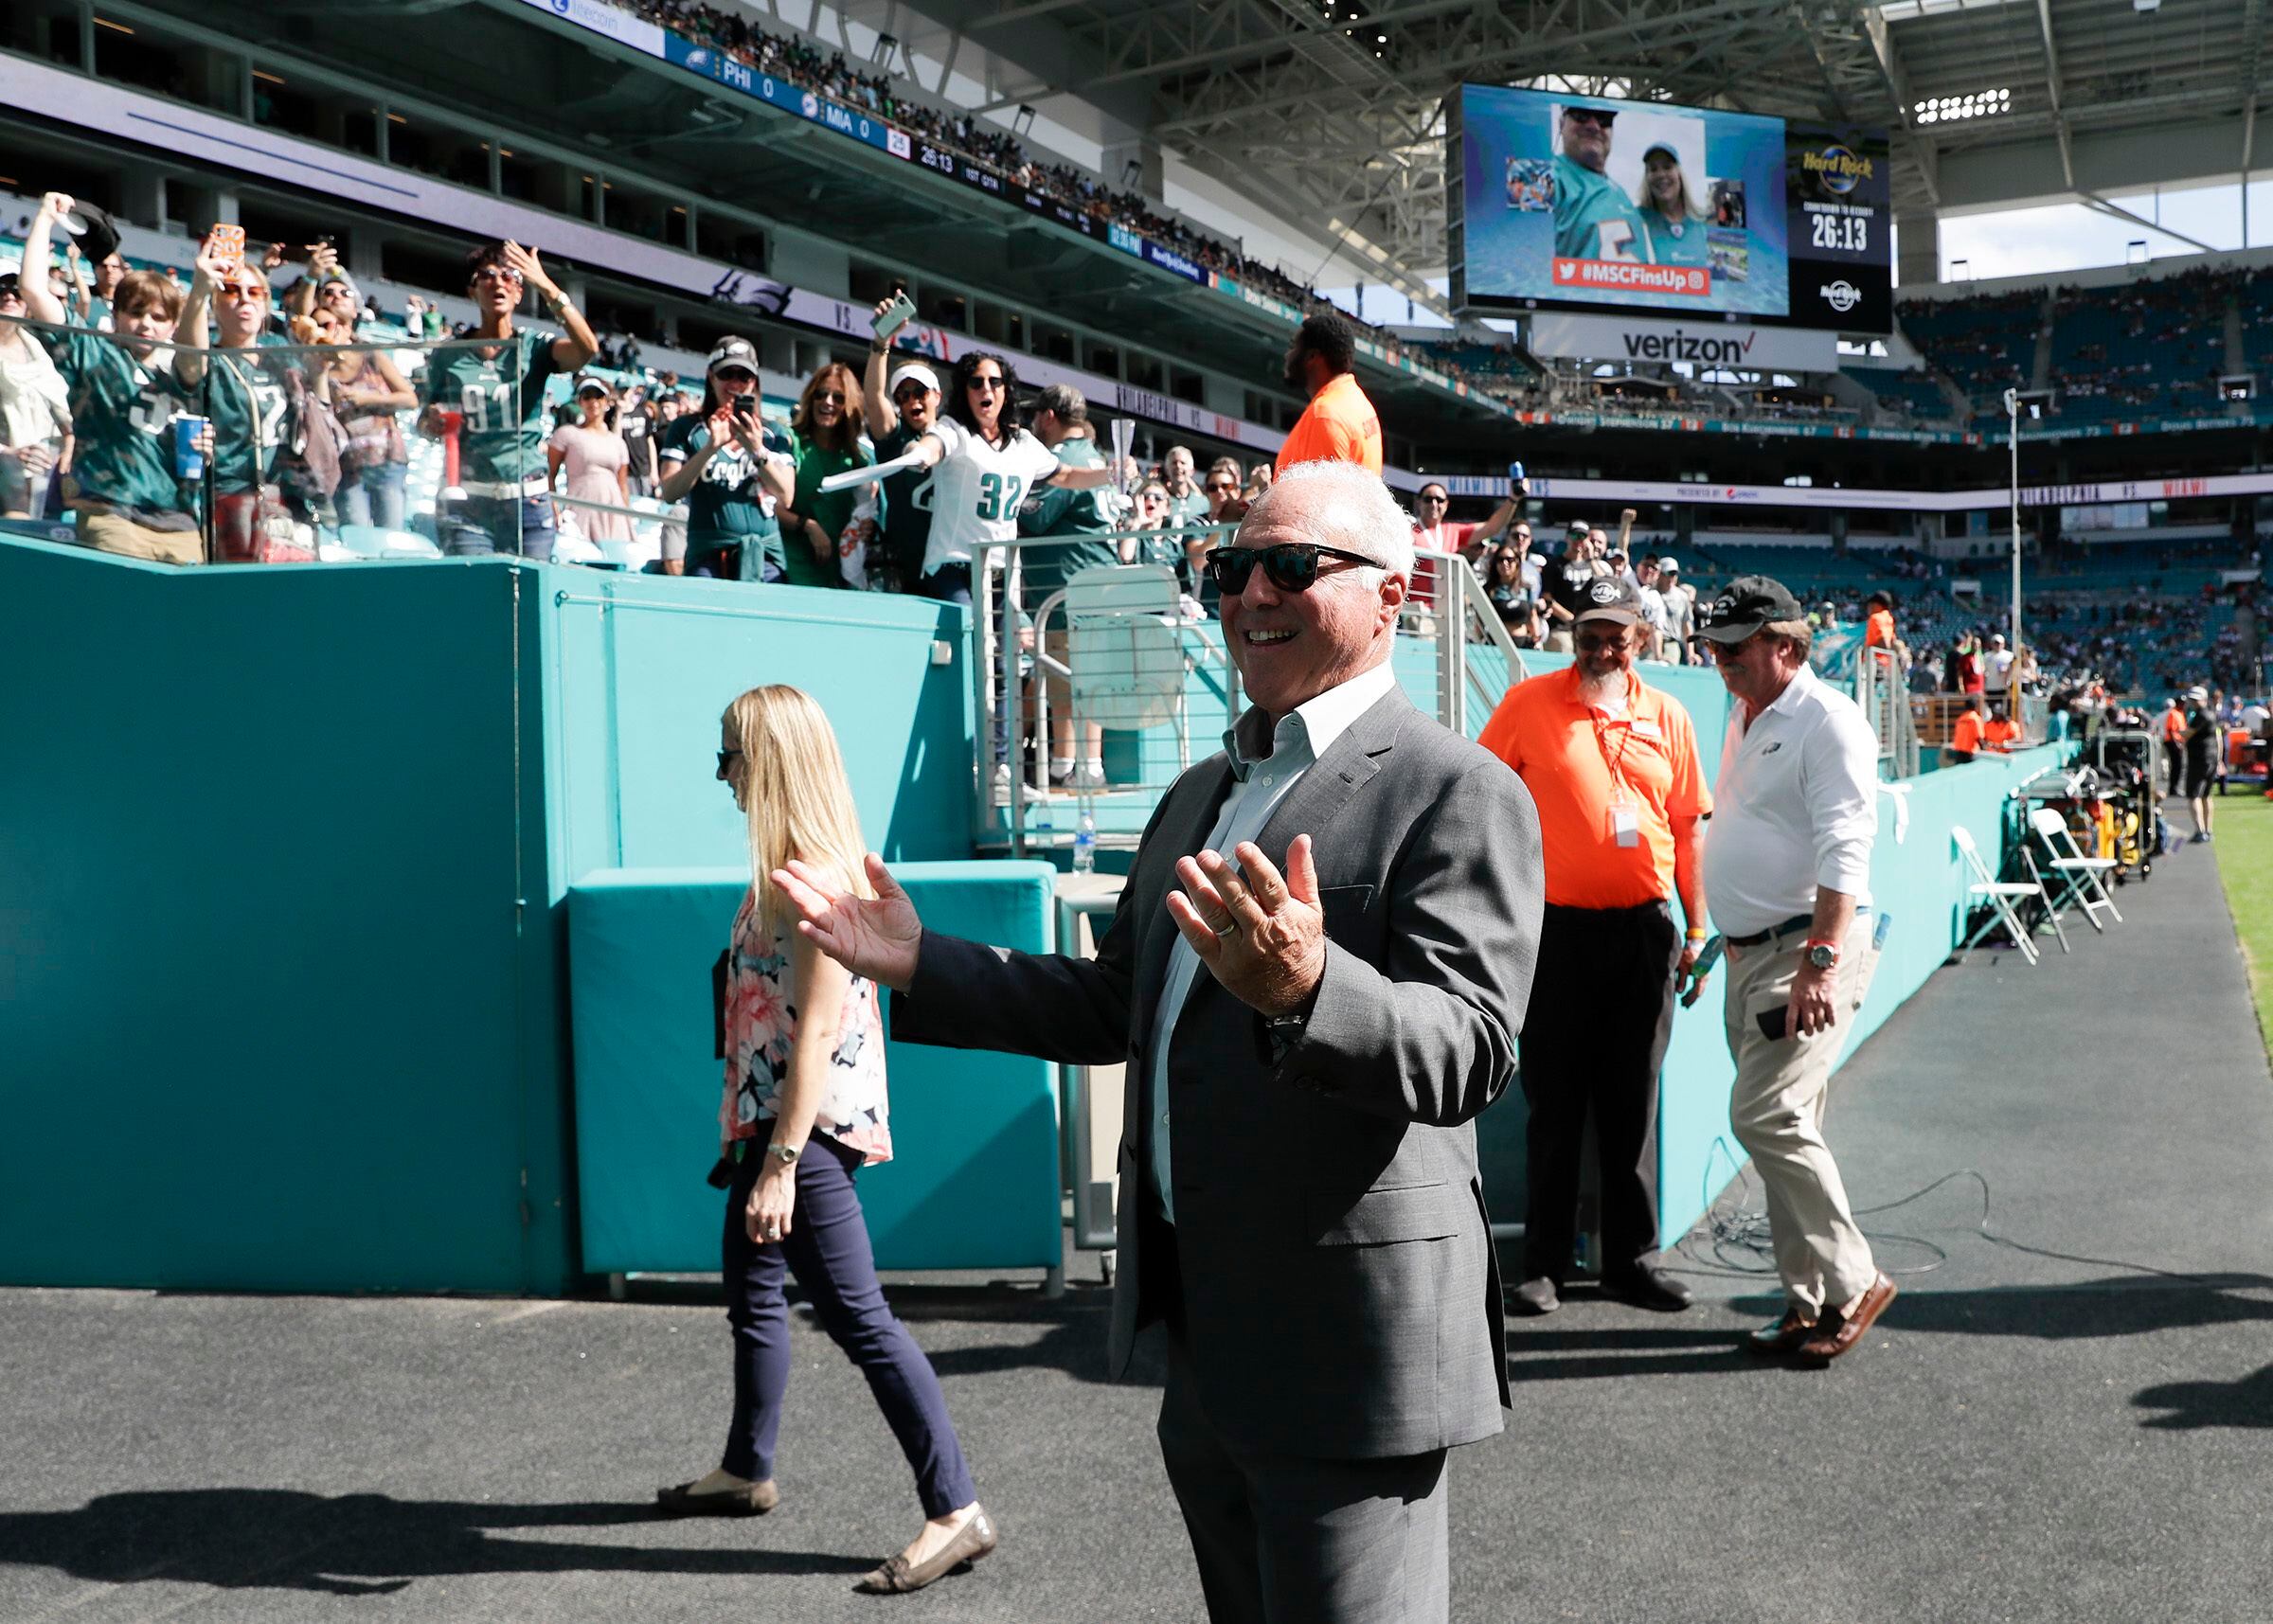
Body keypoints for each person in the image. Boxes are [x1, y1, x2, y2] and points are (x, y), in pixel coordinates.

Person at [774, 460, 1544, 1624]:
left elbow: (1471, 1044)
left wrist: (1310, 983)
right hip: (1209, 1335)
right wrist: (921, 961)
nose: (1252, 594)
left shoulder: (1456, 788)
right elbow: (1113, 1000)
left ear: (1394, 595)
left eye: (1293, 566)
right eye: (1231, 568)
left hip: (1350, 1351)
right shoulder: (1200, 791)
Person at [660, 684, 995, 1597]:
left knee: (862, 1320)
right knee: (755, 1293)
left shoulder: (809, 875)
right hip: (772, 1127)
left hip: (796, 1136)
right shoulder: (792, 866)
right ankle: (746, 1467)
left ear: (767, 763)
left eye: (731, 755)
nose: (723, 774)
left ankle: (955, 1509)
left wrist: (778, 1164)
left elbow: (812, 1030)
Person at [1477, 574, 1710, 1317]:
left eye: (1616, 632)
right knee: (1554, 1103)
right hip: (1553, 932)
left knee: (1631, 1103)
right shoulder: (1528, 703)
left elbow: (1687, 828)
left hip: (1644, 930)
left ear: (1641, 636)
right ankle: (1544, 1263)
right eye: (1590, 631)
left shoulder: (1667, 714)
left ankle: (1630, 1261)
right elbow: (1482, 798)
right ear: (1571, 634)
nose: (1602, 645)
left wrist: (1697, 927)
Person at [1695, 575, 1896, 1365]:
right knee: (1790, 1125)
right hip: (1753, 953)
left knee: (1766, 1118)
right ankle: (1806, 1299)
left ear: (1786, 642)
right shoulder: (1746, 709)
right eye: (1714, 647)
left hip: (1803, 952)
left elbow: (1848, 847)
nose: (1720, 659)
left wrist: (1820, 958)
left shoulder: (1828, 719)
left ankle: (1855, 1280)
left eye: (1735, 646)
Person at [18, 191, 200, 563]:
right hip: (112, 514)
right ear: (115, 314)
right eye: (135, 312)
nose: (146, 323)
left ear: (173, 326)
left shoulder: (182, 376)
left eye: (159, 317)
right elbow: (34, 291)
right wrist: (44, 220)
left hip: (178, 522)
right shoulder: (94, 353)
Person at [418, 240, 597, 561]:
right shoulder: (449, 355)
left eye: (509, 276)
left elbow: (587, 350)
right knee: (476, 597)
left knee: (528, 601)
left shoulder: (535, 347)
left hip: (527, 501)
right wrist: (431, 422)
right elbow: (424, 421)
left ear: (519, 292)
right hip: (467, 501)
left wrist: (546, 285)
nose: (498, 282)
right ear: (472, 291)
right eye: (486, 275)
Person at [174, 231, 315, 564]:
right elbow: (190, 364)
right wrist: (201, 287)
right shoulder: (212, 354)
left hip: (286, 495)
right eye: (231, 291)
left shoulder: (279, 353)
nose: (244, 300)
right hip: (230, 493)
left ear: (266, 302)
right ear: (215, 301)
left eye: (255, 292)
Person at [1018, 382, 1120, 789]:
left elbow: (1035, 517)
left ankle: (1073, 765)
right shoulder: (1096, 457)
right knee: (1080, 680)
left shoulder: (1065, 457)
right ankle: (1076, 764)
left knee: (1068, 679)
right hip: (1094, 584)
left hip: (1070, 586)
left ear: (1048, 416)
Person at [655, 336, 796, 581]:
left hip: (764, 558)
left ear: (754, 382)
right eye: (726, 374)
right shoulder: (686, 428)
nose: (735, 383)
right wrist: (710, 448)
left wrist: (756, 449)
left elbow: (786, 495)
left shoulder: (774, 433)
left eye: (744, 376)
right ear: (711, 377)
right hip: (707, 556)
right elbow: (669, 492)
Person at [863, 302, 942, 595]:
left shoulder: (956, 435)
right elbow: (873, 397)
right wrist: (881, 341)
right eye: (903, 395)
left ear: (937, 396)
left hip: (948, 563)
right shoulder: (895, 437)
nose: (912, 401)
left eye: (920, 392)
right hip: (903, 567)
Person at [324, 307, 416, 532]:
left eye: (329, 325)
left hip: (387, 462)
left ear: (347, 329)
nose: (325, 332)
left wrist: (367, 398)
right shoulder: (318, 372)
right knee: (357, 535)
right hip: (347, 467)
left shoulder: (371, 356)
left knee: (392, 534)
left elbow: (410, 399)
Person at [781, 361, 870, 588]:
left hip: (843, 572)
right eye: (821, 394)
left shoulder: (860, 457)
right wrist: (808, 525)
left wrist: (870, 524)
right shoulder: (790, 443)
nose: (828, 402)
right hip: (794, 567)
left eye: (839, 398)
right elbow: (768, 505)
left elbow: (872, 510)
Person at [0, 272, 73, 522]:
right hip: (8, 465)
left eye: (16, 291)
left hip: (44, 461)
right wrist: (10, 453)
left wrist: (70, 442)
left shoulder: (39, 352)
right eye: (1, 290)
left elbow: (60, 407)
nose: (9, 295)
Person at [1275, 312, 1382, 475]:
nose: (1287, 355)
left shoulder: (1325, 414)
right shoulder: (1359, 402)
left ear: (1312, 357)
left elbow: (1324, 498)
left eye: (1293, 347)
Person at [1552, 103, 1654, 264]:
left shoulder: (1619, 192)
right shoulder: (1552, 176)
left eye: (1604, 119)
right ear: (1561, 123)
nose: (1594, 126)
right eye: (1581, 115)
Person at [547, 377, 632, 545]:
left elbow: (623, 486)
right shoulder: (566, 434)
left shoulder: (618, 443)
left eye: (598, 396)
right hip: (579, 511)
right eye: (587, 397)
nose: (593, 402)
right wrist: (554, 511)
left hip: (614, 514)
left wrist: (627, 517)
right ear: (580, 402)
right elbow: (550, 476)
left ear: (607, 402)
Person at [1635, 141, 1708, 268]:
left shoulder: (1704, 223)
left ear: (1679, 173)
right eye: (1653, 169)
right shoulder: (1637, 221)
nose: (1661, 175)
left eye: (1667, 167)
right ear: (1647, 178)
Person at [1538, 522, 1596, 653]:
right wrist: (1572, 619)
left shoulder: (1592, 565)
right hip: (1561, 628)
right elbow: (1547, 597)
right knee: (1564, 648)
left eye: (1582, 536)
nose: (1578, 540)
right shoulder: (1553, 564)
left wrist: (1591, 558)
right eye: (1574, 535)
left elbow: (1604, 583)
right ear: (1567, 538)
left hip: (1587, 628)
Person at [2181, 685, 2220, 842]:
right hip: (2210, 758)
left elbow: (2188, 733)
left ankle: (2200, 830)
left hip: (2199, 759)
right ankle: (2208, 830)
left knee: (2194, 795)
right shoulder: (2211, 713)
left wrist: (2177, 732)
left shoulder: (2201, 715)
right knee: (2206, 795)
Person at [1483, 544, 1542, 646]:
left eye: (1509, 559)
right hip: (1495, 643)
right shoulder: (1488, 589)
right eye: (1500, 560)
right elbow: (1480, 619)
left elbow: (1533, 615)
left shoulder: (1526, 589)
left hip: (1522, 643)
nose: (1505, 563)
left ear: (1517, 562)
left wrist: (1537, 638)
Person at [1656, 555, 1694, 663]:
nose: (1672, 577)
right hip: (1650, 643)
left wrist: (1690, 652)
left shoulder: (1682, 597)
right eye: (1668, 574)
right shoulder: (1649, 593)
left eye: (1674, 574)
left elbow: (1686, 626)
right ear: (1660, 574)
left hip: (1671, 644)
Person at [1163, 443, 1208, 527]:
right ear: (1167, 470)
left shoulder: (1202, 502)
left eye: (1183, 463)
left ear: (1192, 471)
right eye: (1174, 463)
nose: (1178, 466)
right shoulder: (1160, 500)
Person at [2160, 696, 2189, 797]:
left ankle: (2175, 787)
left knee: (2179, 766)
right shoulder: (2173, 713)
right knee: (2177, 766)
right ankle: (2173, 788)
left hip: (2178, 742)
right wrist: (2177, 744)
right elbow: (2170, 729)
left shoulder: (2180, 713)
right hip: (2172, 742)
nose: (2184, 705)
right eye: (2182, 703)